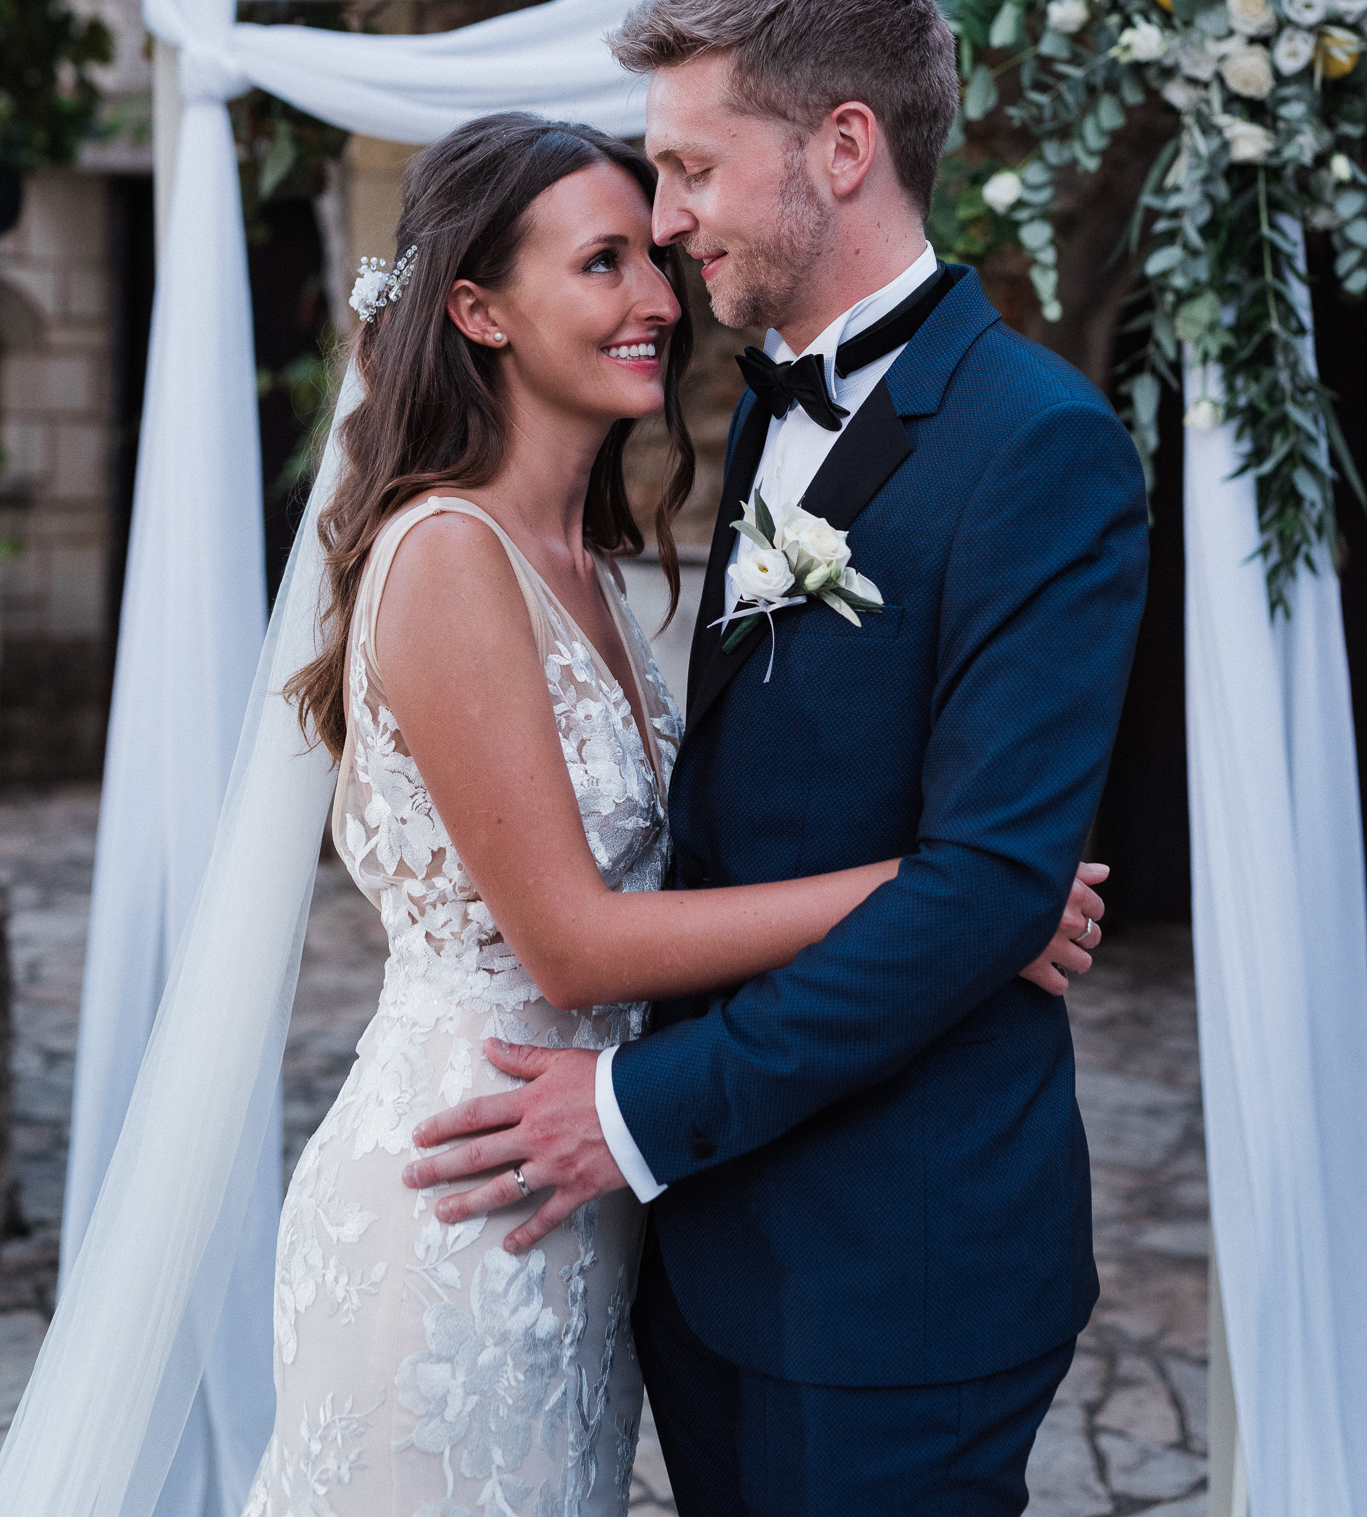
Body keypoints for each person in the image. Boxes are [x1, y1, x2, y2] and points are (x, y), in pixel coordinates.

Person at [240, 108, 1107, 1515]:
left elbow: (692, 853)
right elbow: (578, 942)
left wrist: (965, 904)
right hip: (473, 1186)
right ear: (477, 309)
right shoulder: (449, 553)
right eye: (601, 265)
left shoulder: (584, 559)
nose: (657, 295)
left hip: (598, 1202)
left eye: (654, 250)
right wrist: (956, 893)